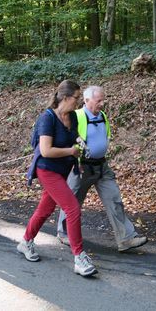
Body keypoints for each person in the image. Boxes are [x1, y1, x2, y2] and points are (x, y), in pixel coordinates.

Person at [17, 80, 98, 277]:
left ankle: (25, 242)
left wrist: (80, 143)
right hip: (47, 170)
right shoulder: (47, 118)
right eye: (76, 98)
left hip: (63, 170)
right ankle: (79, 257)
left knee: (45, 209)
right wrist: (71, 150)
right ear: (65, 97)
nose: (78, 102)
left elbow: (74, 136)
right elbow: (45, 150)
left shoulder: (72, 117)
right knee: (72, 208)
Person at [56, 86, 148, 252]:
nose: (102, 104)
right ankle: (64, 233)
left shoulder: (103, 116)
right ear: (86, 100)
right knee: (72, 201)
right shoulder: (76, 116)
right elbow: (64, 138)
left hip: (102, 166)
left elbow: (105, 136)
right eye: (99, 101)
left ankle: (126, 239)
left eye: (103, 100)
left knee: (115, 200)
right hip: (81, 167)